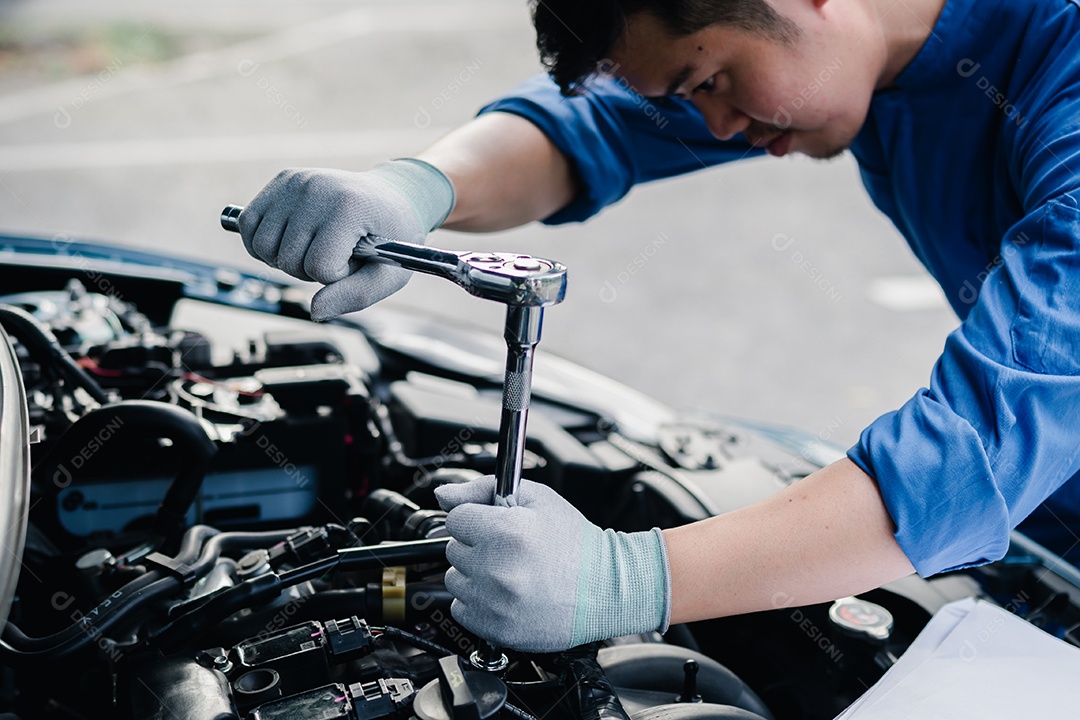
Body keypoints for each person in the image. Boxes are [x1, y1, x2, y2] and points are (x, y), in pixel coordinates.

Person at [237, 0, 1080, 653]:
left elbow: (968, 463)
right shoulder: (860, 49)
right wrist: (416, 191)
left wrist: (622, 582)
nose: (711, 126)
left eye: (705, 81)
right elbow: (596, 128)